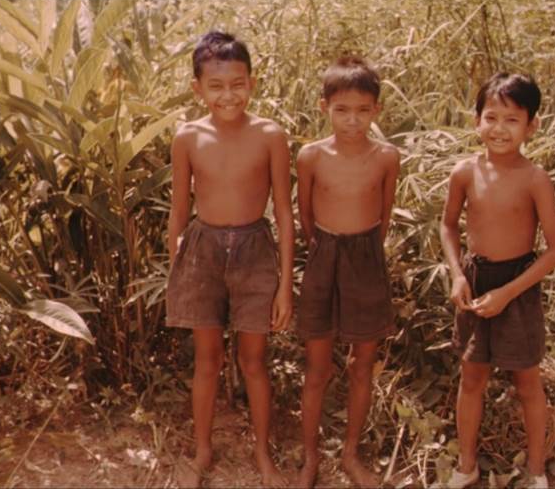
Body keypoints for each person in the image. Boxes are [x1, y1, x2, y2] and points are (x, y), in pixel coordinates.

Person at [165, 30, 294, 488]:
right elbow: (180, 209)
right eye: (216, 86)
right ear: (197, 88)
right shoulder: (187, 137)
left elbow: (282, 210)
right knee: (207, 359)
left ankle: (262, 453)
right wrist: (176, 264)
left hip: (255, 250)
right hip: (202, 249)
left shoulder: (270, 135)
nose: (228, 94)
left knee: (254, 361)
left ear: (252, 83)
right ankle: (202, 450)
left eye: (237, 83)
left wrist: (284, 284)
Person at [440, 72, 555, 489]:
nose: (499, 129)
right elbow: (447, 227)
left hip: (518, 283)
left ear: (532, 126)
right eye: (490, 117)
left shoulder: (535, 178)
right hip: (476, 280)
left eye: (512, 120)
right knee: (471, 376)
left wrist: (509, 292)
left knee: (527, 381)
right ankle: (466, 465)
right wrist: (458, 275)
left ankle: (535, 470)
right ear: (476, 120)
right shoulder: (464, 172)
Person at [295, 56, 400, 488]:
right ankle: (310, 457)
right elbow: (304, 216)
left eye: (362, 110)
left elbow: (385, 213)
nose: (352, 120)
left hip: (366, 258)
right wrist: (324, 249)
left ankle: (351, 454)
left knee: (362, 364)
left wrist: (362, 252)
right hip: (324, 254)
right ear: (325, 108)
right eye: (342, 110)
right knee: (317, 368)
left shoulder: (387, 157)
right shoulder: (311, 156)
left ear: (376, 110)